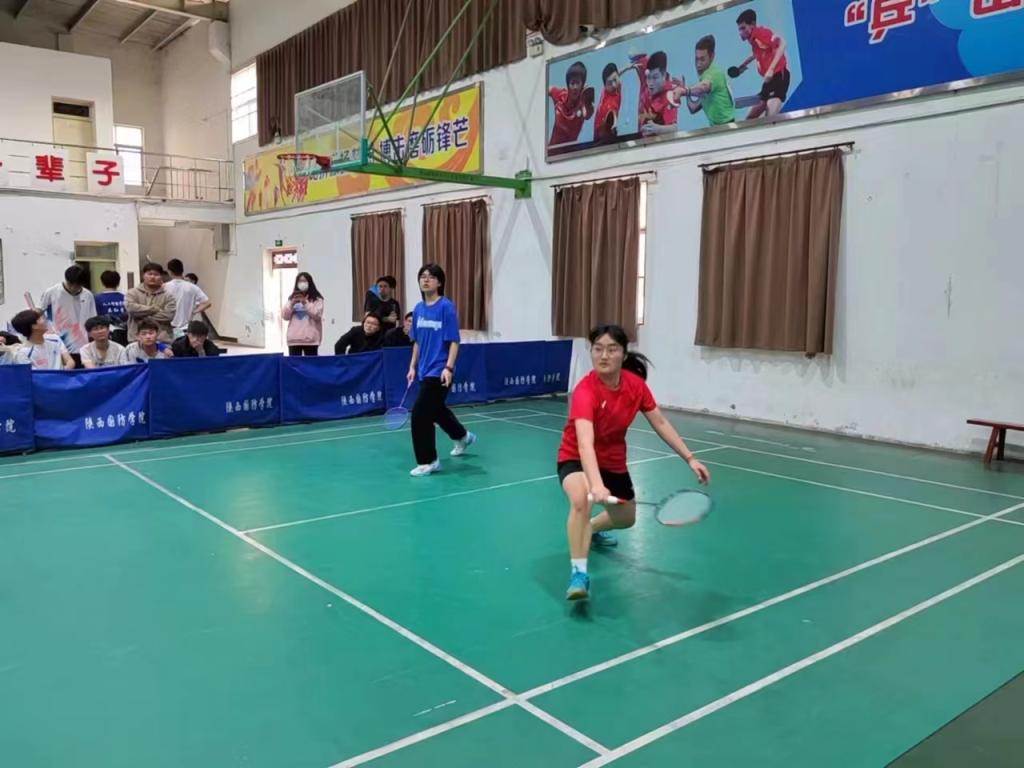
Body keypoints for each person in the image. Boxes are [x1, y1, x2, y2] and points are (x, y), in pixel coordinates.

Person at [557, 324, 711, 602]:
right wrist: (596, 484)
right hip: (576, 457)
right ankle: (579, 575)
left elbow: (660, 422)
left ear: (624, 354)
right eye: (598, 349)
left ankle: (590, 528)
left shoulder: (635, 386)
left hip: (613, 460)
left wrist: (690, 458)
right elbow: (584, 444)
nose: (604, 355)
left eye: (611, 349)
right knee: (581, 498)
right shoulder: (585, 391)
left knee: (626, 519)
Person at [406, 264, 476, 477]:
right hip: (424, 369)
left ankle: (428, 461)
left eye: (431, 276)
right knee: (436, 410)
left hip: (440, 369)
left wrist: (448, 367)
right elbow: (417, 341)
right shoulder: (418, 309)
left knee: (420, 414)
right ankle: (462, 436)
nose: (425, 279)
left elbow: (454, 340)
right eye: (422, 276)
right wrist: (412, 366)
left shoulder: (446, 307)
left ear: (439, 282)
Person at [734, 8, 789, 119]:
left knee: (770, 118)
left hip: (779, 77)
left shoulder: (762, 34)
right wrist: (743, 65)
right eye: (739, 29)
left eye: (743, 28)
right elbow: (756, 53)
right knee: (750, 119)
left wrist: (771, 69)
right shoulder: (753, 40)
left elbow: (782, 45)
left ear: (753, 24)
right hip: (768, 81)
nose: (741, 32)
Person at [39, 264, 96, 367]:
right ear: (66, 279)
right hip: (58, 345)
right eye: (71, 284)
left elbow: (93, 319)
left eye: (77, 285)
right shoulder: (51, 292)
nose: (73, 287)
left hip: (81, 346)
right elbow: (39, 313)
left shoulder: (88, 295)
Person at [679, 35, 736, 126]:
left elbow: (703, 87)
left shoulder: (714, 73)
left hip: (726, 126)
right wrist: (685, 91)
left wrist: (684, 91)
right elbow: (693, 108)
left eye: (702, 59)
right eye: (697, 59)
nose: (698, 64)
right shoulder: (704, 77)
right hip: (714, 127)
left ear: (712, 56)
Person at [3, 309, 74, 369]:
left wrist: (62, 374)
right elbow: (35, 376)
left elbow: (70, 362)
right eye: (39, 319)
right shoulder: (23, 353)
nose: (44, 320)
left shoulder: (55, 339)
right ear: (34, 326)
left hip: (62, 379)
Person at [126, 262, 176, 342]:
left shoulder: (168, 296)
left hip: (162, 340)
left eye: (156, 274)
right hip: (136, 339)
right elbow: (131, 309)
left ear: (161, 277)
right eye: (149, 274)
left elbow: (168, 316)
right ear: (143, 275)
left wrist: (140, 315)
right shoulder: (132, 293)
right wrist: (155, 309)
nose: (152, 277)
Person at [548, 61, 595, 146]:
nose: (575, 87)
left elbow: (587, 114)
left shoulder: (583, 103)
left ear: (582, 85)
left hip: (570, 152)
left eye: (578, 83)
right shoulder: (559, 95)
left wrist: (588, 101)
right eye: (572, 83)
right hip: (552, 150)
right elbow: (546, 88)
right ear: (568, 85)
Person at [632, 51, 679, 137]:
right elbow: (634, 54)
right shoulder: (647, 72)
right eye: (648, 77)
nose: (650, 83)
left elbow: (674, 128)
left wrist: (657, 129)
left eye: (655, 77)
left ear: (663, 75)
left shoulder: (669, 97)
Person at [164, 258, 212, 338]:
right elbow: (207, 303)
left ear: (169, 271)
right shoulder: (192, 287)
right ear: (182, 271)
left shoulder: (164, 287)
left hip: (169, 327)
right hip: (186, 328)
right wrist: (194, 311)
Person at [282, 271, 324, 356]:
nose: (302, 283)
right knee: (294, 363)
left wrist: (305, 303)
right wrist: (291, 304)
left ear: (309, 282)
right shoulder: (292, 298)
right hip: (294, 339)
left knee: (310, 363)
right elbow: (285, 316)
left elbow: (317, 315)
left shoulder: (317, 299)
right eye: (300, 281)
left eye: (304, 281)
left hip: (311, 340)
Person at [94, 270, 128, 345]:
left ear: (102, 283)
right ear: (118, 283)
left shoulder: (97, 299)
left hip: (105, 334)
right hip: (125, 334)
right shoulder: (126, 297)